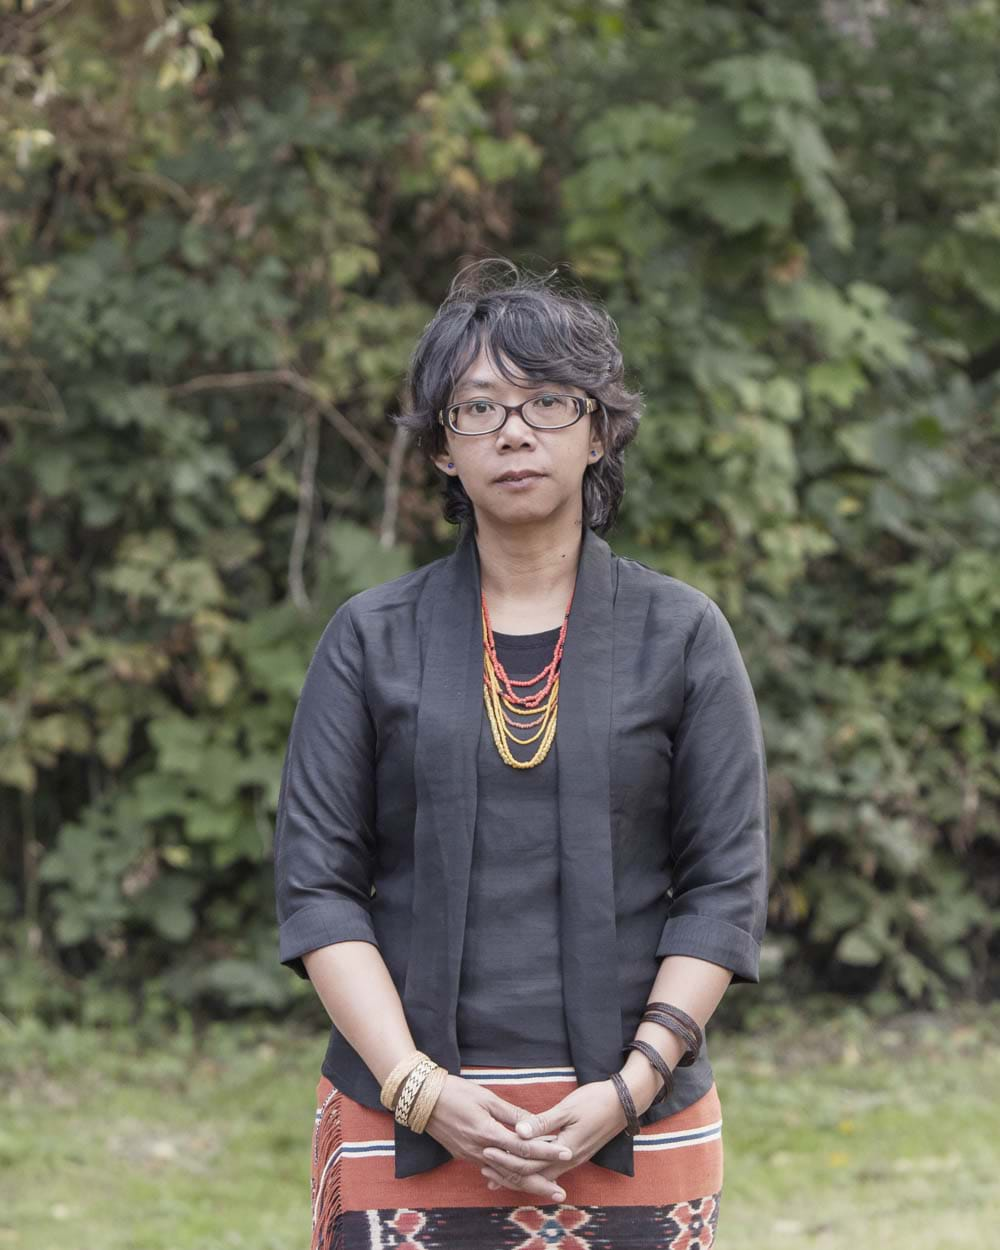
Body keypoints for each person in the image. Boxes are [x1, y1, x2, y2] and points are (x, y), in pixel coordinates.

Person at [273, 258, 770, 1250]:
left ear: (599, 429)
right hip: (402, 1125)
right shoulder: (370, 637)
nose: (513, 428)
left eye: (547, 400)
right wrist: (421, 1089)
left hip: (639, 1123)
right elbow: (318, 885)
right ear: (442, 453)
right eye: (476, 407)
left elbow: (722, 886)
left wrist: (631, 1084)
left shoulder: (679, 633)